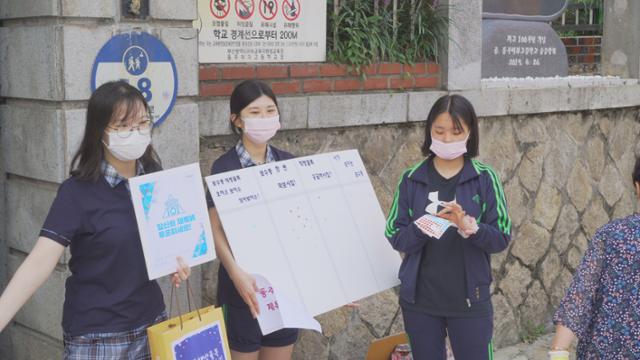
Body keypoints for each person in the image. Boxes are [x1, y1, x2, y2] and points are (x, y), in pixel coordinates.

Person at [0, 81, 190, 360]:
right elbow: (40, 261)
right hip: (97, 337)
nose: (134, 132)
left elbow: (167, 243)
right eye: (122, 126)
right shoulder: (77, 192)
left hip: (152, 324)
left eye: (142, 123)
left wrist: (175, 262)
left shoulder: (155, 181)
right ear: (99, 131)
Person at [385, 94, 511, 360]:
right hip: (420, 302)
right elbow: (396, 236)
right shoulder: (411, 178)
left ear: (470, 133)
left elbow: (500, 237)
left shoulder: (484, 178)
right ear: (429, 131)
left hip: (470, 299)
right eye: (439, 131)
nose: (447, 140)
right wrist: (431, 223)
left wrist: (471, 227)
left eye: (457, 132)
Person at [207, 80, 298, 360]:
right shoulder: (223, 167)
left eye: (270, 111)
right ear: (236, 120)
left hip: (283, 290)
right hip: (241, 291)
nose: (264, 118)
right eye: (255, 112)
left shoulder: (288, 163)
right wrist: (236, 273)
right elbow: (215, 228)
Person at [549, 158, 640, 359]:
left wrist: (558, 353)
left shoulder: (611, 234)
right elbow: (580, 296)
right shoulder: (610, 236)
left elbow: (579, 296)